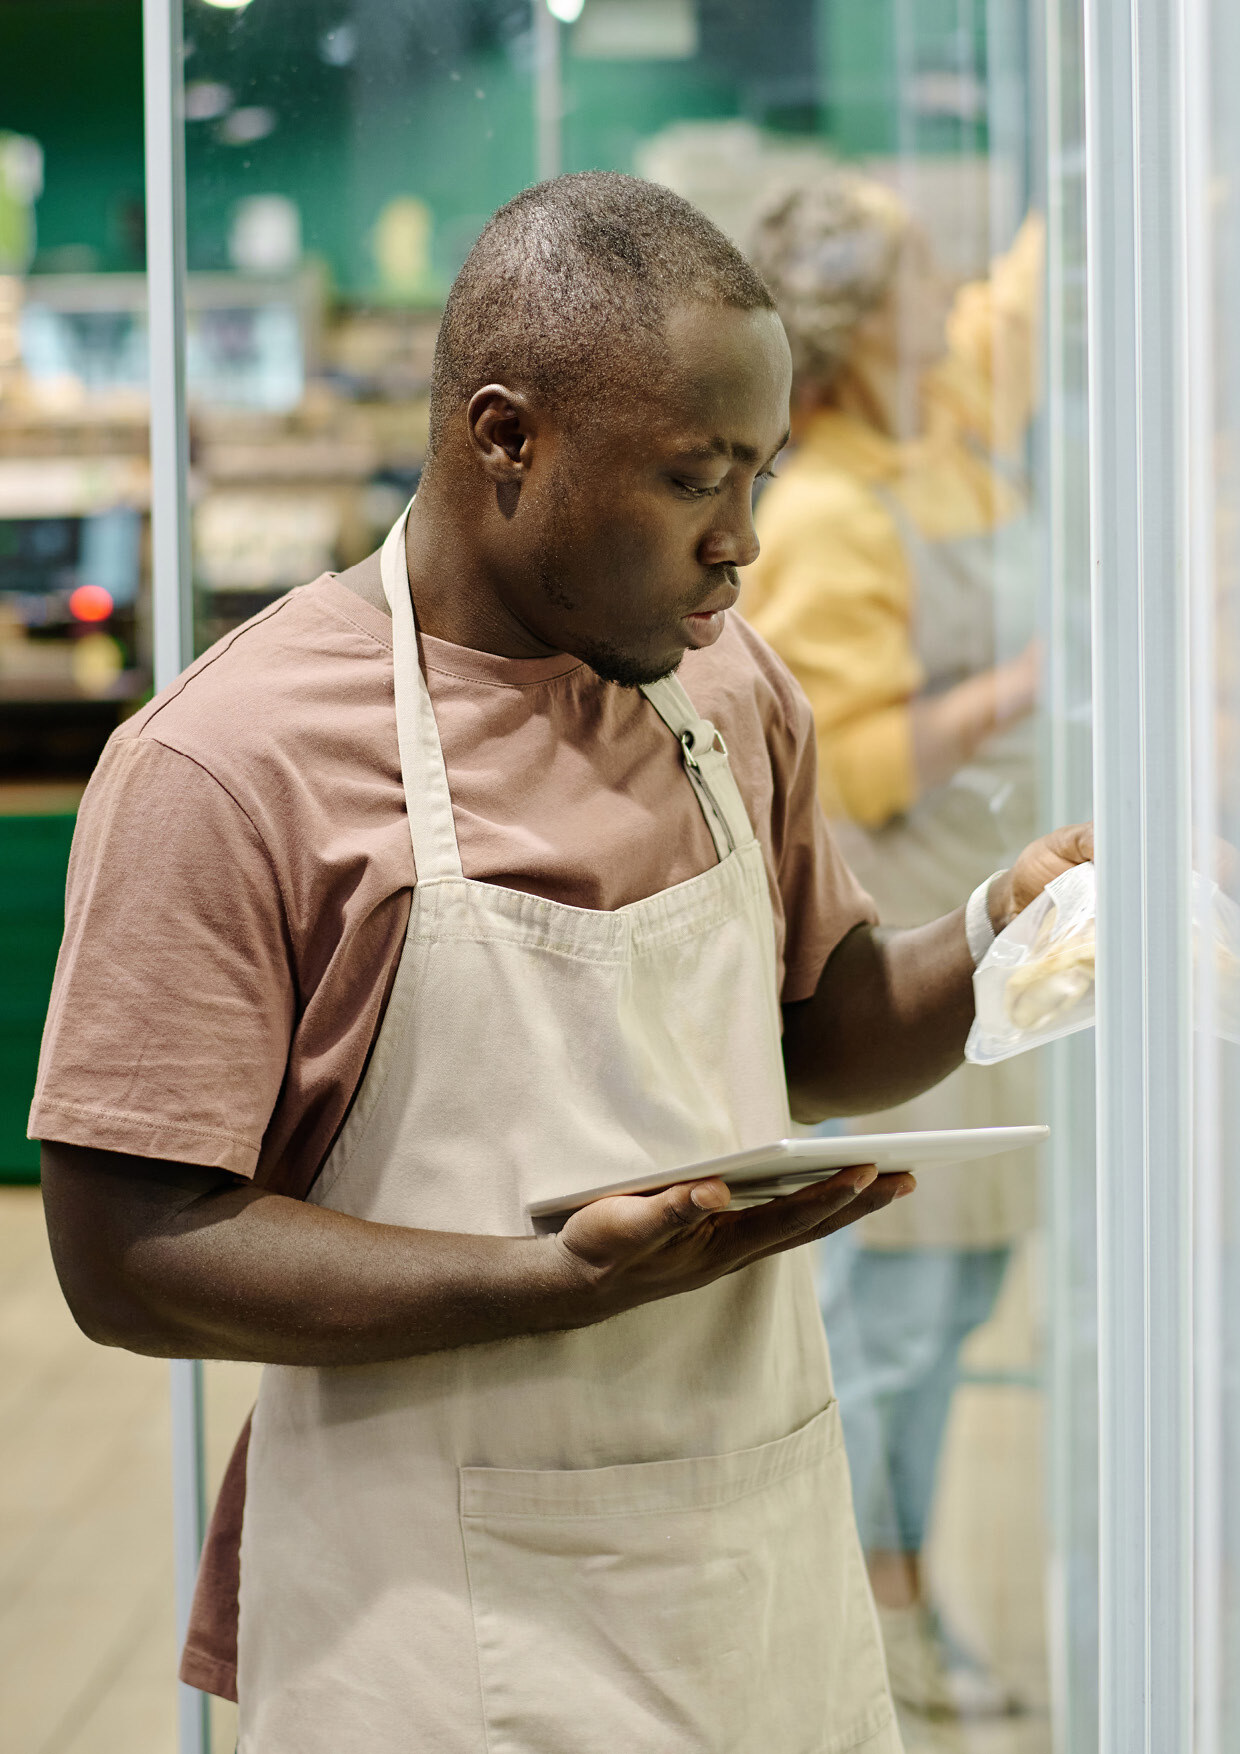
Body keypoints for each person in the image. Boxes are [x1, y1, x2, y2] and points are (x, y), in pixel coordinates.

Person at [33, 173, 1089, 1754]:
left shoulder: (726, 692)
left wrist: (1006, 927)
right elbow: (125, 1254)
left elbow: (832, 1028)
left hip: (759, 1585)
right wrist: (546, 1284)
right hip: (437, 1638)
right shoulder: (228, 766)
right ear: (504, 437)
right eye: (694, 476)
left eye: (762, 472)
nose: (742, 541)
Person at [743, 171, 1046, 1718]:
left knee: (958, 1293)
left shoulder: (937, 445)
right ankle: (879, 1609)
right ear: (865, 330)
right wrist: (1041, 681)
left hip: (1000, 965)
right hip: (918, 965)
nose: (961, 302)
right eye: (932, 275)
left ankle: (901, 1582)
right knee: (902, 1327)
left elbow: (1025, 314)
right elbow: (845, 770)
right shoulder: (830, 511)